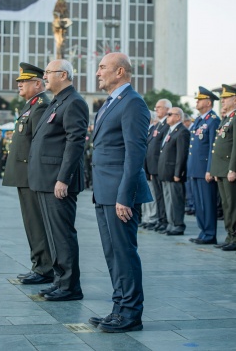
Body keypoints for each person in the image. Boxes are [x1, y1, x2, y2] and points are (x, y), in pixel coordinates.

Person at [89, 52, 152, 333]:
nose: (98, 72)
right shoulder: (111, 102)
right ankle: (118, 308)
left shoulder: (133, 104)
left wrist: (124, 196)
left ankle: (130, 314)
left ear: (121, 72)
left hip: (119, 194)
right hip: (104, 191)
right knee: (112, 253)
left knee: (124, 253)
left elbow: (135, 153)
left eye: (103, 67)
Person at [28, 59, 89, 301]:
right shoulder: (57, 101)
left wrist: (63, 179)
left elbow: (75, 143)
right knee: (53, 234)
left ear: (63, 75)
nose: (44, 77)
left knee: (62, 234)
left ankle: (70, 286)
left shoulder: (74, 102)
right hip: (45, 180)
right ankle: (60, 279)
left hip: (58, 182)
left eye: (48, 73)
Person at [3, 62, 53, 285]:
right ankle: (38, 264)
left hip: (31, 175)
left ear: (38, 83)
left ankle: (44, 268)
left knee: (36, 223)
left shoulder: (41, 105)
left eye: (24, 82)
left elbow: (39, 144)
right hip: (24, 174)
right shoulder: (31, 105)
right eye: (19, 82)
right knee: (31, 222)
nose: (19, 85)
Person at [187, 87, 220, 245]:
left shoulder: (213, 120)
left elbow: (213, 147)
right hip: (195, 169)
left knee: (207, 203)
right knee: (199, 204)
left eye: (200, 100)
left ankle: (210, 234)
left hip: (204, 170)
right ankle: (203, 232)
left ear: (208, 102)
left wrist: (210, 170)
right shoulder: (200, 120)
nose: (197, 102)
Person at [210, 84, 236, 251]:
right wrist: (216, 170)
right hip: (222, 168)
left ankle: (234, 237)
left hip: (229, 168)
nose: (223, 101)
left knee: (232, 205)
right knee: (226, 205)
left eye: (226, 98)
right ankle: (229, 235)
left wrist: (233, 168)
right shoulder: (227, 118)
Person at [157, 107, 190, 236]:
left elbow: (181, 155)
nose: (167, 116)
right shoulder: (170, 131)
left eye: (170, 114)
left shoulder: (182, 132)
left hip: (173, 173)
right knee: (168, 200)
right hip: (166, 172)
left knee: (175, 200)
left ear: (178, 117)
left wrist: (178, 173)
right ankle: (171, 224)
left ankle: (178, 225)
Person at [145, 98, 171, 232]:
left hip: (160, 167)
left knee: (162, 196)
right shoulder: (158, 126)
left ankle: (165, 220)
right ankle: (161, 219)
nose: (156, 109)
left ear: (167, 109)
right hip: (153, 167)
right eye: (156, 107)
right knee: (158, 196)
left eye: (159, 107)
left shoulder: (167, 125)